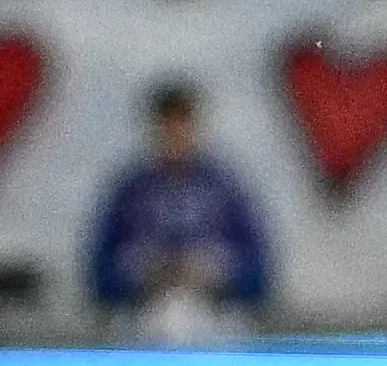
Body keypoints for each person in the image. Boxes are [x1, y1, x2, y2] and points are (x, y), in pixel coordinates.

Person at [89, 83, 271, 335]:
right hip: (145, 319)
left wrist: (218, 273)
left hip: (215, 318)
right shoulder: (130, 192)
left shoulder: (226, 190)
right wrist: (143, 273)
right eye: (167, 124)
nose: (175, 133)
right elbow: (99, 276)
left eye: (182, 123)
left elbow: (260, 275)